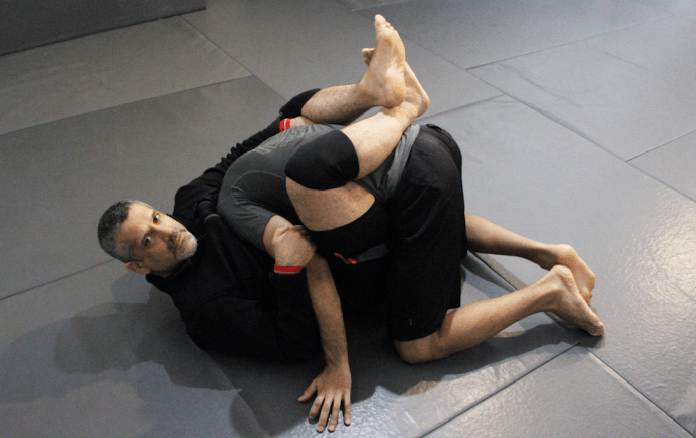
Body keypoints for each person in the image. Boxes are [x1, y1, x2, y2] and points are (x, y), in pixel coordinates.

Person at [98, 15, 605, 433]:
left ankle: (548, 281)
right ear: (138, 267)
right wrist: (291, 278)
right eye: (150, 239)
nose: (168, 230)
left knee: (294, 125)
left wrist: (306, 120)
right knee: (386, 221)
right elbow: (294, 339)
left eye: (156, 217)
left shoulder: (191, 201)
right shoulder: (205, 311)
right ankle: (547, 267)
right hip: (410, 170)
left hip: (382, 190)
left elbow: (259, 141)